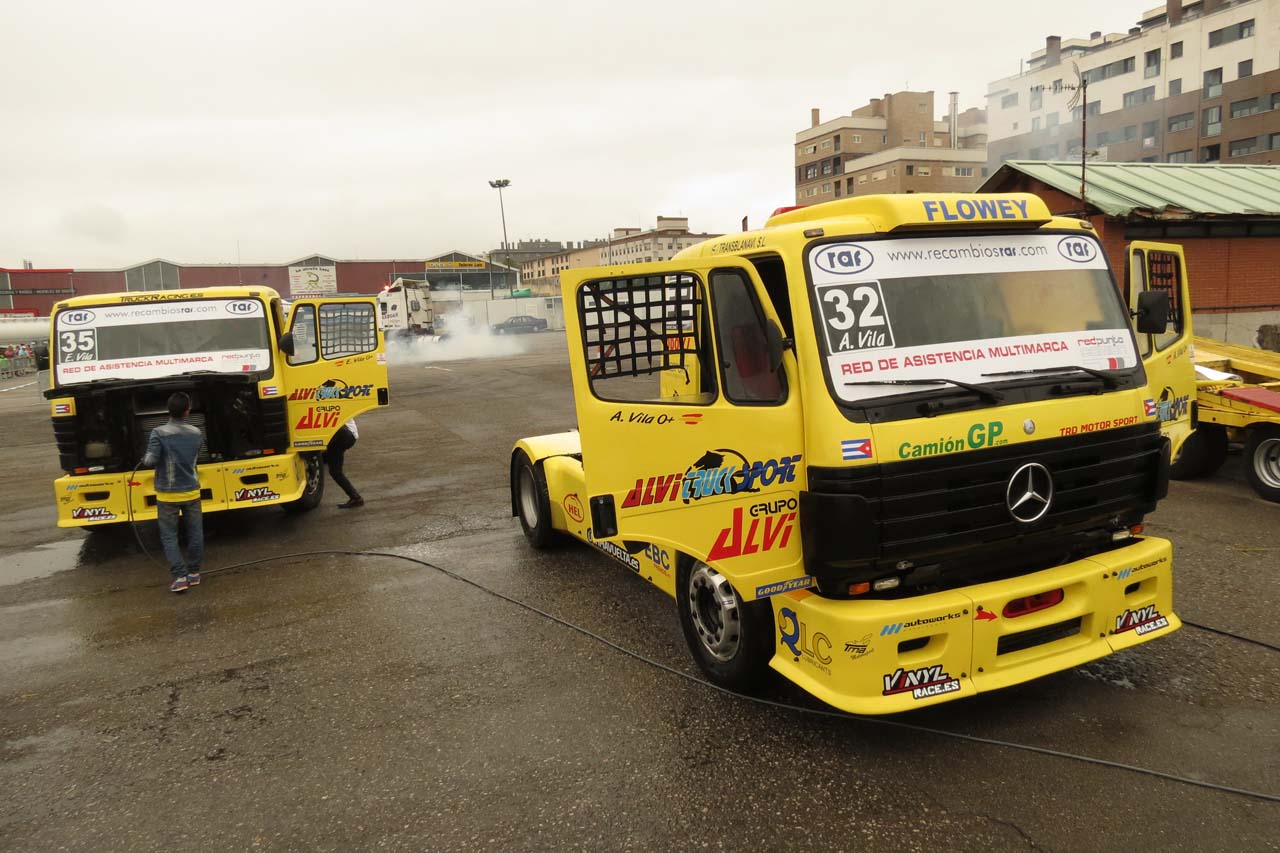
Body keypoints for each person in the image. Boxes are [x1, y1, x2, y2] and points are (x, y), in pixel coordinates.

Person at [142, 392, 205, 593]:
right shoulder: (196, 433)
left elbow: (150, 461)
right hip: (192, 492)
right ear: (187, 411)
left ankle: (179, 577)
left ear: (168, 410)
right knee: (195, 533)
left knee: (170, 536)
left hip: (167, 495)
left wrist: (146, 457)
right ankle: (194, 574)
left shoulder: (158, 433)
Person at [325, 418, 364, 508]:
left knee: (335, 471)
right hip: (345, 435)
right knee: (335, 472)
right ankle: (356, 498)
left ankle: (356, 498)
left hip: (345, 434)